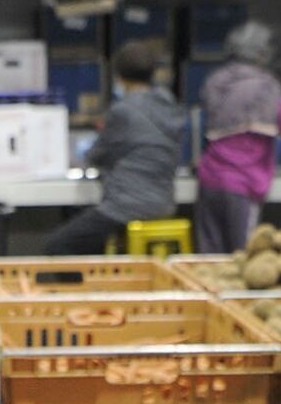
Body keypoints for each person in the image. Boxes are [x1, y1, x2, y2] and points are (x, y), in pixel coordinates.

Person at [44, 41, 185, 256]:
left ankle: (90, 289)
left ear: (119, 76)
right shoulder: (170, 107)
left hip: (126, 206)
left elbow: (95, 156)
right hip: (164, 204)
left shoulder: (124, 111)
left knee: (59, 246)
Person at [194, 21, 281, 253]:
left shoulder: (215, 81)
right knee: (243, 258)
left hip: (209, 180)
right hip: (243, 185)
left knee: (209, 258)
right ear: (262, 53)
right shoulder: (267, 87)